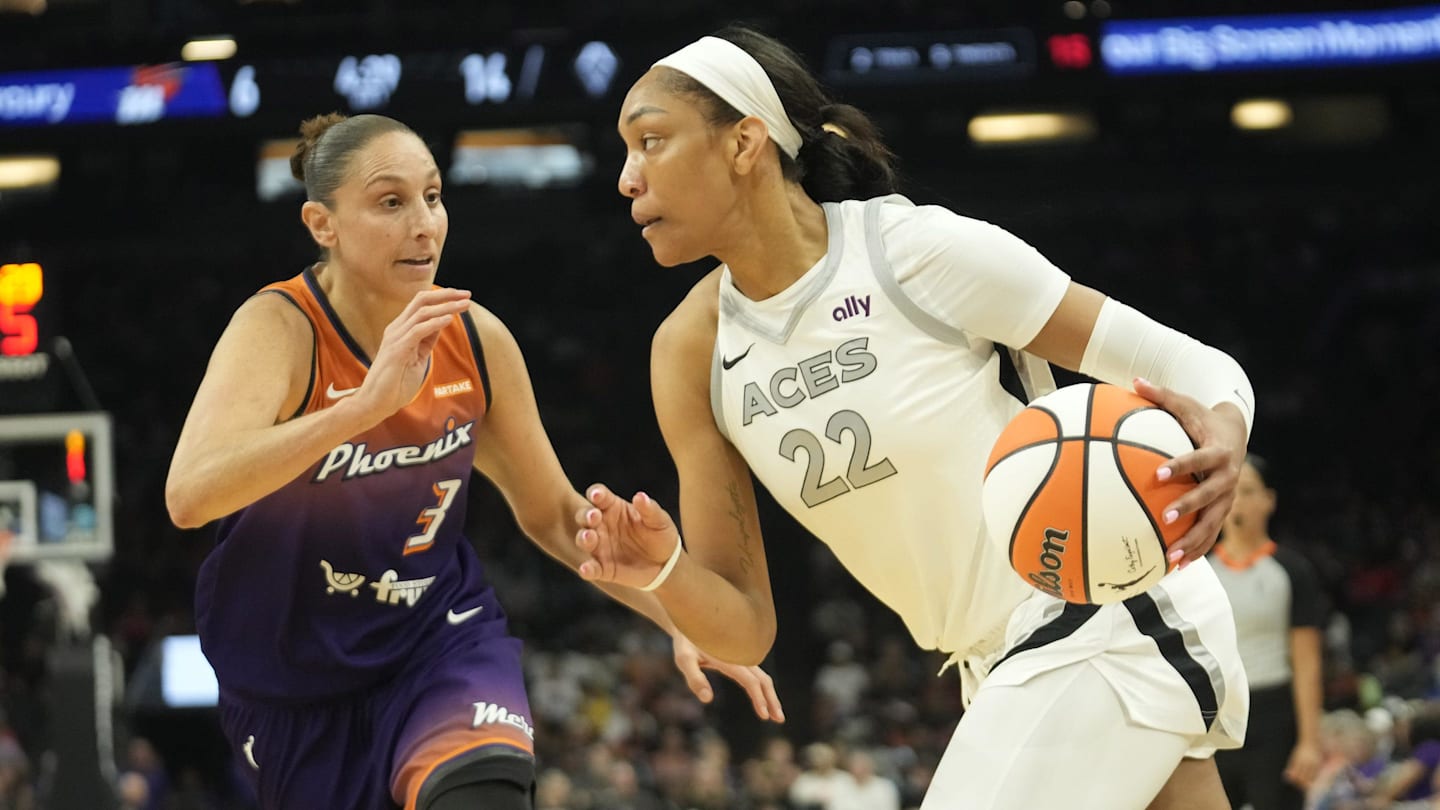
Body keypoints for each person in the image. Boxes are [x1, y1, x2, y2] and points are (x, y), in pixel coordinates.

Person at [576, 25, 1256, 809]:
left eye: (650, 141)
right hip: (993, 659)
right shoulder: (688, 350)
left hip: (1100, 613)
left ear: (744, 142)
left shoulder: (911, 252)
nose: (627, 178)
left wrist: (1227, 426)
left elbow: (1187, 364)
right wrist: (662, 571)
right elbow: (744, 630)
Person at [164, 112, 782, 810]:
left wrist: (682, 616)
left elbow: (553, 512)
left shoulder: (474, 337)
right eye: (391, 202)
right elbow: (189, 495)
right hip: (288, 681)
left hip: (437, 642)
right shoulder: (278, 328)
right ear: (321, 224)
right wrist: (358, 410)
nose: (424, 223)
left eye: (432, 196)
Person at [1210, 455, 1327, 810]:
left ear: (1269, 500)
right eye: (1229, 491)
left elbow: (1307, 663)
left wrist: (1309, 741)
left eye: (1247, 491)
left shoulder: (1291, 571)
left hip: (1275, 717)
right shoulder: (1198, 573)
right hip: (1215, 717)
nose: (1237, 501)